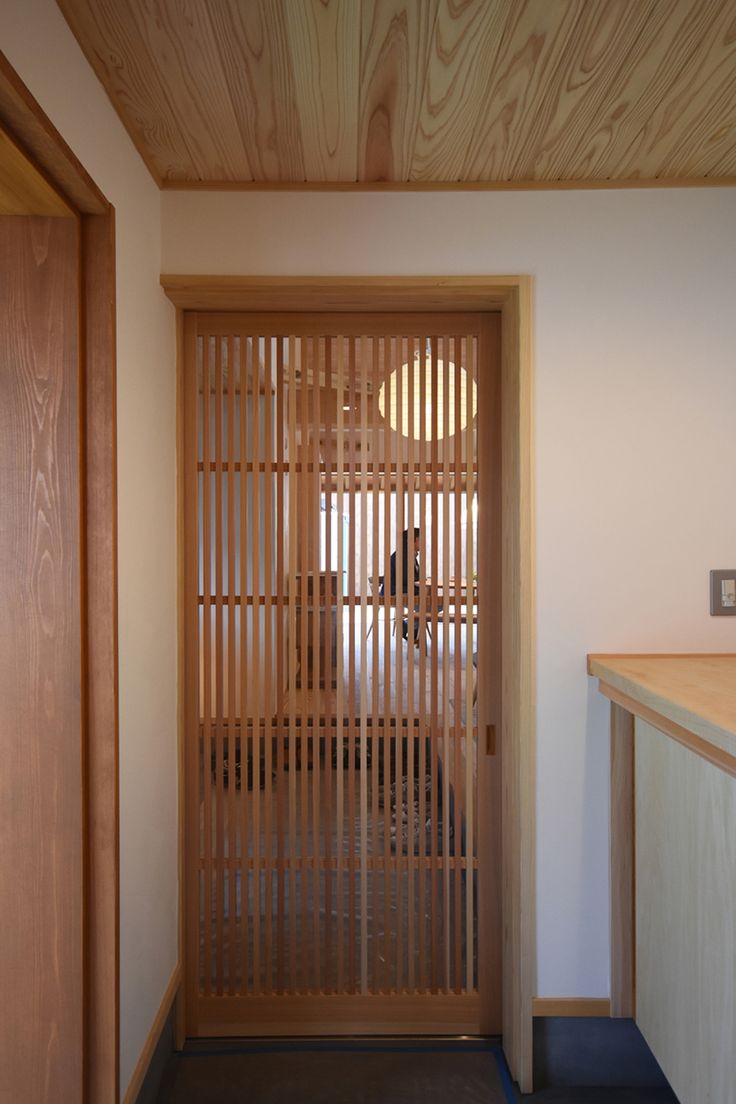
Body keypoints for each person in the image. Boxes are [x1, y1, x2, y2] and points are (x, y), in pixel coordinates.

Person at [380, 528, 421, 642]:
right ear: (416, 539)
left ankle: (409, 626)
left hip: (402, 590)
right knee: (431, 603)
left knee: (428, 601)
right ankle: (411, 628)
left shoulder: (410, 555)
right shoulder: (403, 556)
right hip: (394, 593)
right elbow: (406, 579)